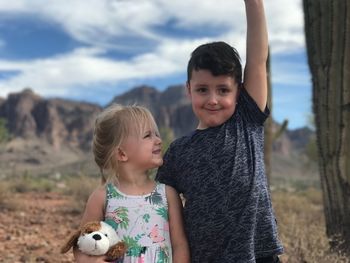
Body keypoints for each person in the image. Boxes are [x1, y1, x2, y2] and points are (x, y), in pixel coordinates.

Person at [156, 0, 283, 262]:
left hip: (257, 254)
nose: (212, 99)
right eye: (202, 89)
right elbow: (160, 206)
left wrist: (254, 3)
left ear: (239, 90)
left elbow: (258, 60)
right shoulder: (178, 151)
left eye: (223, 90)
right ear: (188, 89)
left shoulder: (246, 119)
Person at [74, 104, 190, 263]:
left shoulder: (167, 194)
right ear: (122, 153)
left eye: (156, 134)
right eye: (148, 135)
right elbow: (82, 244)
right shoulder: (102, 197)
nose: (158, 140)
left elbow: (180, 245)